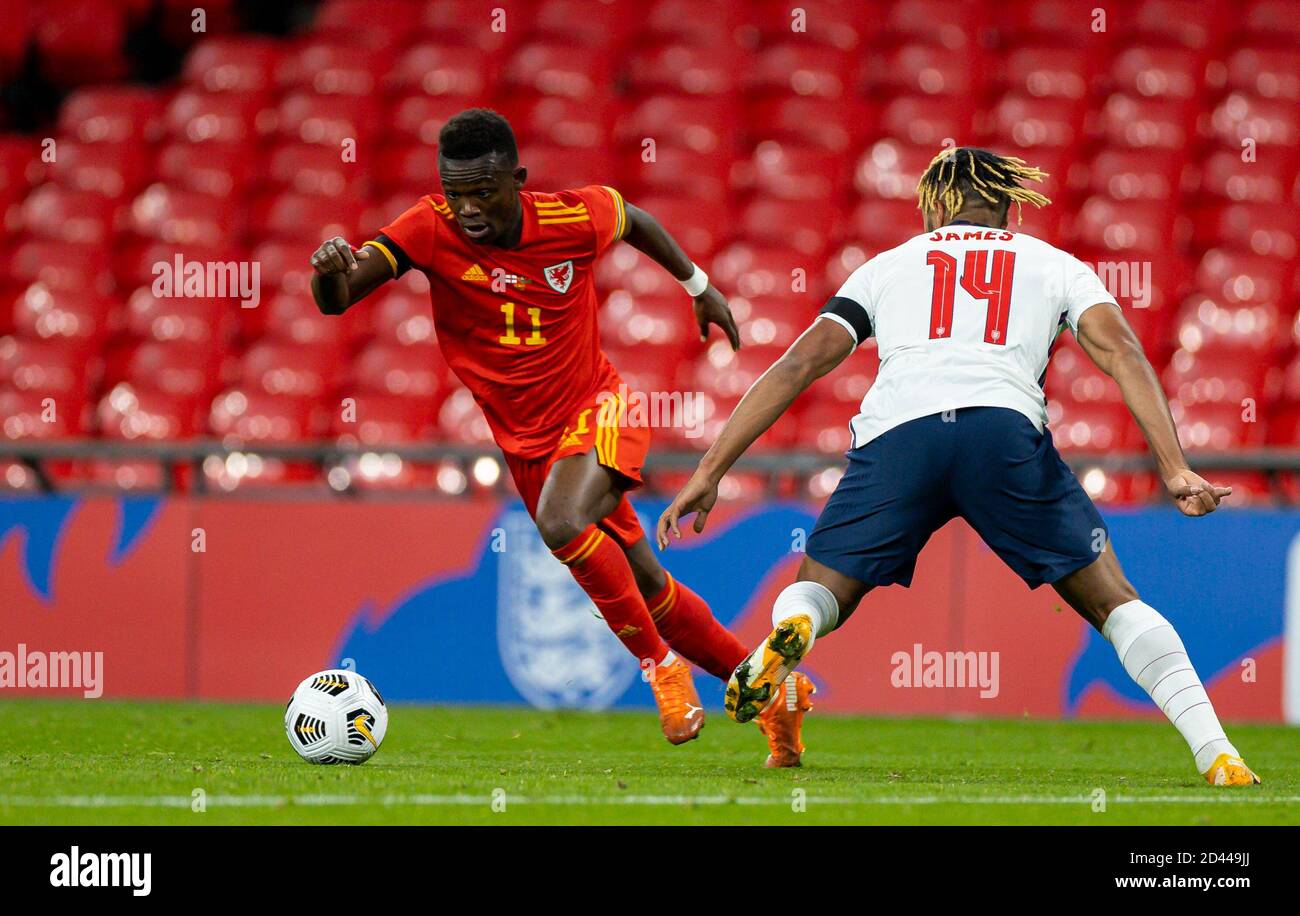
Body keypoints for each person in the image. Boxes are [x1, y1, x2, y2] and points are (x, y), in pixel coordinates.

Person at [657, 146, 1259, 786]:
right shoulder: (1056, 265)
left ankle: (796, 624)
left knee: (822, 586)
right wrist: (1174, 467)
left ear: (936, 203)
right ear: (1009, 208)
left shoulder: (885, 268)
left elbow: (800, 364)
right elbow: (1124, 353)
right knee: (1114, 602)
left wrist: (710, 470)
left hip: (900, 435)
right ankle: (1217, 752)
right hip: (1000, 433)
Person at [311, 108, 813, 766]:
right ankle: (778, 697)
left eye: (483, 192)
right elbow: (341, 295)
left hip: (599, 408)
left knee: (561, 519)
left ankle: (660, 670)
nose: (467, 208)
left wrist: (699, 285)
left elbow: (634, 218)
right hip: (527, 445)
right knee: (650, 590)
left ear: (516, 180)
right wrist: (327, 270)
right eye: (455, 191)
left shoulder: (572, 218)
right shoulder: (427, 229)